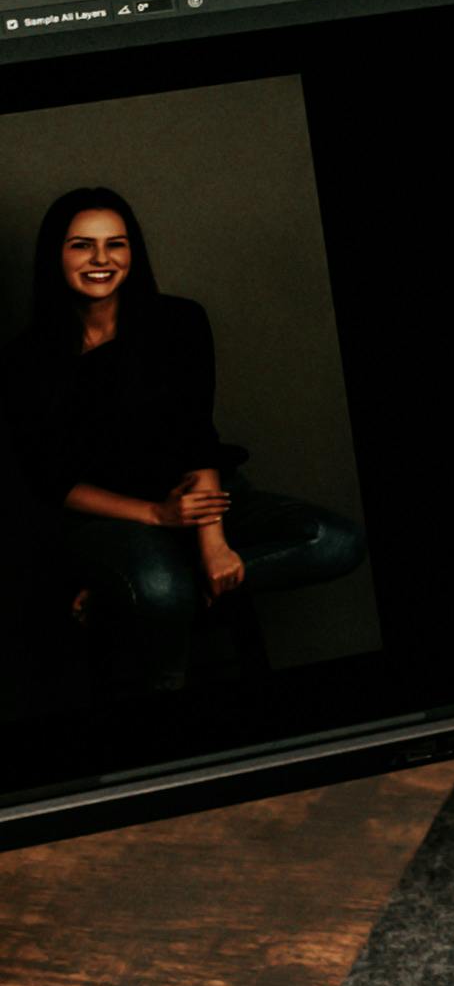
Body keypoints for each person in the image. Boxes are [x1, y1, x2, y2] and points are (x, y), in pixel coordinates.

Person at [0, 185, 367, 698]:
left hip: (200, 489)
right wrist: (156, 515)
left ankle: (123, 594)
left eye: (117, 244)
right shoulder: (24, 361)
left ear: (134, 251)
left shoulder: (178, 322)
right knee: (160, 588)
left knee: (336, 541)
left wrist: (212, 542)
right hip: (110, 516)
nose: (102, 259)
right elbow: (51, 482)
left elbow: (196, 436)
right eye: (82, 245)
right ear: (54, 255)